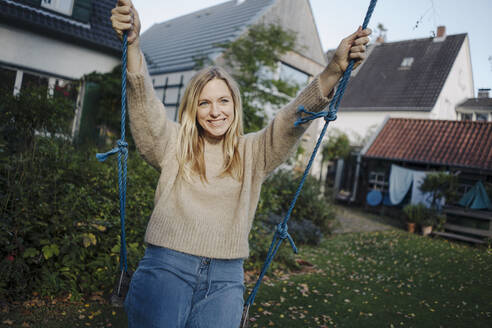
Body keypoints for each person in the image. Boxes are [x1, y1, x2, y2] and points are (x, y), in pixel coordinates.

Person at [111, 0, 371, 327]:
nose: (215, 111)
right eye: (204, 102)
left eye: (223, 100)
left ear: (235, 105)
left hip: (225, 278)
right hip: (167, 267)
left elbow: (290, 120)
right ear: (192, 109)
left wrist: (333, 70)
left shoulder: (254, 151)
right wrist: (133, 44)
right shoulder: (173, 143)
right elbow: (145, 107)